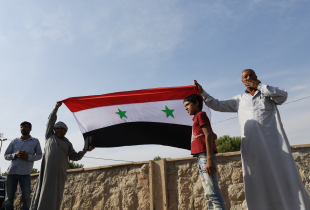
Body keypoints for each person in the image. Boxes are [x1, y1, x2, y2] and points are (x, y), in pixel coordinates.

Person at [195, 69, 310, 210]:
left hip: (274, 146)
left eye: (251, 75)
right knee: (257, 181)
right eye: (245, 77)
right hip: (252, 148)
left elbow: (283, 95)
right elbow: (217, 104)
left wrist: (260, 86)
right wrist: (202, 93)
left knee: (283, 176)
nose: (248, 78)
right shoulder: (239, 100)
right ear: (242, 82)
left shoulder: (268, 94)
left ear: (256, 77)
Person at [30, 102, 94, 210]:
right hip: (47, 172)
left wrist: (85, 150)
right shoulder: (49, 136)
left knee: (55, 195)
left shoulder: (67, 143)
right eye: (57, 128)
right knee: (42, 191)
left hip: (59, 174)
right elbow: (50, 121)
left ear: (65, 131)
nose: (59, 130)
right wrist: (56, 108)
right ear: (54, 130)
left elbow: (74, 157)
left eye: (62, 129)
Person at [183, 94, 226, 210]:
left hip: (205, 156)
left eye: (187, 105)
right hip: (200, 157)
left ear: (196, 103)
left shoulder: (200, 115)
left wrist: (209, 159)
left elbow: (208, 135)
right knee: (208, 194)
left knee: (213, 193)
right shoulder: (197, 118)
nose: (186, 108)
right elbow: (213, 135)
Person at [4, 121, 42, 210]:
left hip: (25, 174)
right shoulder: (14, 141)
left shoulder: (35, 141)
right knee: (9, 199)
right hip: (11, 173)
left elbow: (39, 155)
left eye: (25, 127)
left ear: (30, 129)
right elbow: (6, 155)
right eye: (21, 127)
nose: (23, 128)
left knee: (26, 198)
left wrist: (27, 156)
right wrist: (15, 155)